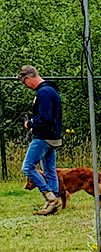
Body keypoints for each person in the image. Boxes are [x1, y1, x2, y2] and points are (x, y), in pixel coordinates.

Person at [19, 65, 63, 216]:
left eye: (25, 83)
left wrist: (30, 124)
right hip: (54, 136)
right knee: (50, 170)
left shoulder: (43, 92)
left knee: (27, 167)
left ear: (29, 78)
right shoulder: (51, 90)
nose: (26, 86)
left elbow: (45, 117)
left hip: (44, 137)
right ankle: (53, 204)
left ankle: (50, 197)